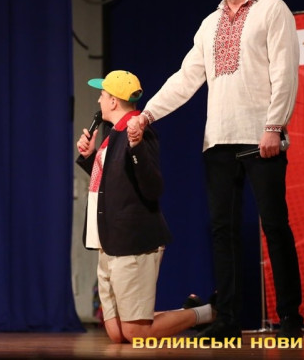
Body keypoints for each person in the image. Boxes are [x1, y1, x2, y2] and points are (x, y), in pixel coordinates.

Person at [127, 0, 303, 341]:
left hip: (260, 136)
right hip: (219, 139)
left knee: (275, 226)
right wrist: (148, 114)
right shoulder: (210, 23)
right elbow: (186, 77)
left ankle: (290, 318)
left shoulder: (272, 9)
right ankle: (228, 319)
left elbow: (286, 71)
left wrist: (274, 126)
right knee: (223, 231)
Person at [76, 70, 215, 343]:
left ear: (114, 101)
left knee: (136, 333)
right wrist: (90, 156)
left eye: (102, 95)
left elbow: (152, 187)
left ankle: (209, 313)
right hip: (109, 240)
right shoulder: (113, 135)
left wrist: (137, 147)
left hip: (132, 242)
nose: (99, 101)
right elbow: (113, 184)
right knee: (117, 333)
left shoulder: (139, 132)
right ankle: (190, 310)